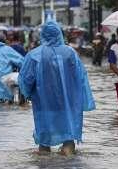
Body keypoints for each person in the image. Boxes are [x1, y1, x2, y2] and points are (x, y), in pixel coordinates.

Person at [18, 21, 95, 155]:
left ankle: (46, 163)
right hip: (68, 101)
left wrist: (27, 94)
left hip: (44, 102)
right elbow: (81, 77)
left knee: (44, 136)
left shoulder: (34, 54)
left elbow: (25, 79)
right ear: (60, 34)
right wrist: (81, 98)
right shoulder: (70, 53)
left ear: (43, 35)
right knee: (68, 134)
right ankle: (67, 159)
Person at [0, 32, 24, 104]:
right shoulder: (8, 49)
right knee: (5, 108)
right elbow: (22, 62)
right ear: (5, 41)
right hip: (3, 85)